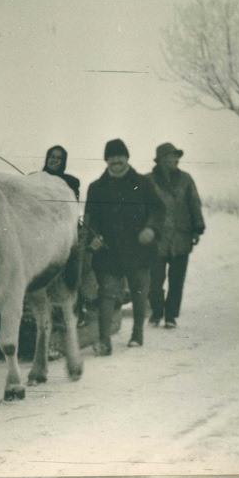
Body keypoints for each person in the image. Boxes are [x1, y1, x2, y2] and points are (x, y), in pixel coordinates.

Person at [83, 138, 165, 355]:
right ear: (106, 160)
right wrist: (94, 236)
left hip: (139, 248)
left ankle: (137, 333)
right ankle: (104, 341)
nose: (115, 160)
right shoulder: (96, 187)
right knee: (107, 294)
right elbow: (91, 219)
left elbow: (158, 210)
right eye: (110, 157)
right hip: (109, 250)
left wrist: (151, 229)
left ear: (127, 158)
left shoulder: (142, 183)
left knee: (139, 293)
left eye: (119, 156)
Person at [146, 142, 205, 330]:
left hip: (181, 237)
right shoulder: (148, 180)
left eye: (177, 156)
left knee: (177, 280)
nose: (176, 159)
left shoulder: (186, 179)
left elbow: (194, 203)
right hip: (156, 239)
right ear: (161, 159)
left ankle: (171, 316)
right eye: (172, 156)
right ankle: (156, 311)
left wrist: (197, 228)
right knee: (154, 282)